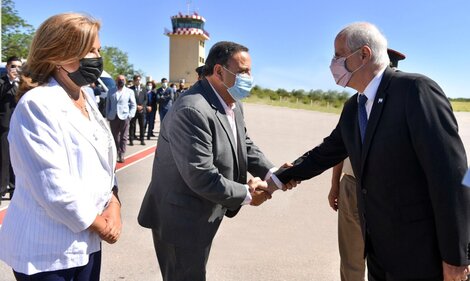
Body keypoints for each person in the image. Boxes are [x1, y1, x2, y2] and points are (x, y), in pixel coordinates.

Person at [271, 22, 470, 281]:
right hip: (378, 253)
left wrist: (457, 258)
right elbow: (325, 153)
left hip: (421, 254)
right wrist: (277, 179)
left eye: (338, 55)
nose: (332, 63)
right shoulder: (354, 107)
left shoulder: (415, 91)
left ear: (363, 55)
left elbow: (453, 176)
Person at [138, 41, 289, 281]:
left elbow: (243, 144)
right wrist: (248, 194)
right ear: (219, 71)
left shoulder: (232, 103)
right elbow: (201, 174)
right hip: (181, 219)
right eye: (242, 72)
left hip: (203, 211)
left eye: (250, 71)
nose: (249, 77)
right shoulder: (193, 109)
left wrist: (272, 172)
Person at [0, 12, 121, 281]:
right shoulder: (37, 105)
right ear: (58, 55)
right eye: (90, 50)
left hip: (87, 244)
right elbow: (52, 185)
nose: (97, 58)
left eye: (98, 50)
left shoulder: (86, 97)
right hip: (47, 252)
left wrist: (114, 203)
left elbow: (103, 161)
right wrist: (102, 225)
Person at [329, 48, 406, 281]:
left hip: (386, 192)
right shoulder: (355, 105)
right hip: (351, 185)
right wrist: (336, 185)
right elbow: (338, 149)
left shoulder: (402, 104)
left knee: (384, 259)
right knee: (351, 256)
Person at [0, 56, 22, 202]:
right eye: (13, 66)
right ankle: (1, 189)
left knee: (17, 158)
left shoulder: (24, 84)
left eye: (19, 67)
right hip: (4, 126)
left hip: (20, 126)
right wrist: (10, 82)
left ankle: (15, 190)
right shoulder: (2, 82)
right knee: (3, 158)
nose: (16, 69)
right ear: (8, 67)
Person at [106, 75, 136, 163]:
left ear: (125, 81)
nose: (121, 81)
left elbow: (133, 105)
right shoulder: (111, 91)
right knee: (115, 137)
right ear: (116, 81)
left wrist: (130, 115)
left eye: (123, 80)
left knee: (124, 137)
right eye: (119, 80)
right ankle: (116, 153)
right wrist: (108, 115)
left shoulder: (129, 91)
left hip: (125, 117)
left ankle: (122, 154)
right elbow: (108, 104)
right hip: (113, 117)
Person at [129, 75, 147, 146]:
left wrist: (142, 106)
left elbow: (146, 99)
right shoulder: (130, 89)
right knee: (132, 125)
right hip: (134, 110)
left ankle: (142, 140)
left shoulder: (144, 89)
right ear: (134, 81)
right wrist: (136, 106)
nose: (138, 81)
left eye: (139, 80)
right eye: (137, 80)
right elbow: (129, 99)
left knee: (142, 125)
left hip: (142, 110)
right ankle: (131, 140)